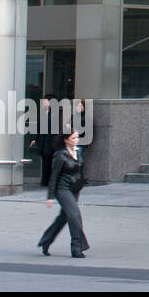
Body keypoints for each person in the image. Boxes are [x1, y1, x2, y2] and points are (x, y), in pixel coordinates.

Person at [37, 127, 89, 258]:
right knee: (75, 216)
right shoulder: (60, 155)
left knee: (64, 217)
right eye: (73, 138)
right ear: (66, 140)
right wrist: (50, 196)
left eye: (77, 137)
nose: (76, 140)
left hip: (74, 190)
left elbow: (78, 171)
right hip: (63, 189)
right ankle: (76, 247)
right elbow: (54, 176)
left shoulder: (78, 152)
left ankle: (46, 241)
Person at [74, 99, 93, 165]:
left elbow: (88, 130)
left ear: (84, 108)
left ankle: (79, 173)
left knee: (78, 158)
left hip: (81, 141)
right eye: (77, 106)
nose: (78, 108)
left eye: (80, 106)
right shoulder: (74, 116)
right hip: (72, 140)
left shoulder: (87, 117)